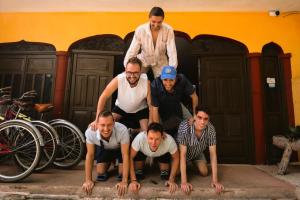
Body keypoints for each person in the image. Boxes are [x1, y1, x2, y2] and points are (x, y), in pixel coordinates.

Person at [90, 57, 151, 134]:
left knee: (146, 133)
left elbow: (151, 104)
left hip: (140, 109)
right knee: (103, 125)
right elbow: (103, 96)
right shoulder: (119, 79)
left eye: (135, 72)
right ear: (125, 71)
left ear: (140, 72)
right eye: (129, 72)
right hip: (121, 108)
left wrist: (152, 121)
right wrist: (97, 119)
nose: (132, 76)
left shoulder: (146, 82)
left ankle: (133, 131)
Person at [177, 106, 224, 195]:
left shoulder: (211, 129)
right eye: (199, 117)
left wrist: (215, 181)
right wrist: (184, 182)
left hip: (197, 153)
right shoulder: (185, 127)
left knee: (204, 172)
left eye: (206, 119)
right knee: (177, 172)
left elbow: (213, 154)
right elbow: (182, 155)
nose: (202, 122)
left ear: (209, 119)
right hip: (182, 154)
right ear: (194, 116)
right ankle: (185, 167)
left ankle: (192, 164)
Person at [82, 111, 130, 196]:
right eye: (102, 125)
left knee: (122, 173)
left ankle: (118, 164)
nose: (106, 129)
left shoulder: (122, 129)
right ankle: (110, 162)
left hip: (119, 149)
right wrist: (88, 180)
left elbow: (125, 155)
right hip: (104, 148)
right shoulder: (90, 132)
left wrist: (124, 181)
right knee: (100, 172)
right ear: (97, 124)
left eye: (109, 125)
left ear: (114, 123)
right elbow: (90, 155)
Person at [124, 6, 178, 78]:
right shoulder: (140, 30)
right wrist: (127, 66)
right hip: (143, 60)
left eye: (159, 22)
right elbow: (133, 50)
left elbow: (172, 51)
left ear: (163, 20)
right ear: (149, 18)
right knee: (133, 77)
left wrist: (172, 69)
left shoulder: (168, 30)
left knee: (165, 82)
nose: (156, 25)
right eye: (153, 21)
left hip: (161, 61)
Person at [129, 122, 179, 194]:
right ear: (146, 135)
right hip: (142, 152)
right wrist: (133, 180)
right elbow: (129, 157)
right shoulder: (139, 138)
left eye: (157, 139)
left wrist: (171, 179)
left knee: (165, 175)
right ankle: (139, 169)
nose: (153, 142)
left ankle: (159, 163)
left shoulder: (169, 141)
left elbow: (176, 158)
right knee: (138, 173)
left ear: (162, 136)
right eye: (151, 138)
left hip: (162, 154)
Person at [151, 66, 198, 137]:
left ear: (176, 78)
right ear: (161, 78)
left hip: (177, 103)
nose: (168, 83)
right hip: (160, 107)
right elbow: (154, 109)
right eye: (165, 80)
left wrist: (195, 114)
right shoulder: (155, 85)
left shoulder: (182, 79)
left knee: (194, 125)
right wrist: (159, 130)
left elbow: (194, 96)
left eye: (171, 80)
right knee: (157, 132)